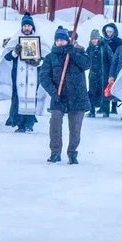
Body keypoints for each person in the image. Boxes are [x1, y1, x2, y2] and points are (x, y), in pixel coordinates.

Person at [38, 26, 90, 164]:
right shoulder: (50, 57)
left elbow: (87, 65)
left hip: (77, 97)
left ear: (68, 40)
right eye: (58, 40)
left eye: (63, 40)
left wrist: (74, 54)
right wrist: (53, 93)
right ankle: (55, 153)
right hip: (58, 97)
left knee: (75, 127)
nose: (60, 42)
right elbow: (44, 77)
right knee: (55, 125)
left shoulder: (78, 52)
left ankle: (72, 153)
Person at [0, 13, 43, 133]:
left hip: (33, 74)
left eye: (29, 26)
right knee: (18, 97)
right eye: (25, 26)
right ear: (22, 27)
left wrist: (39, 62)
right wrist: (14, 52)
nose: (27, 28)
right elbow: (6, 57)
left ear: (32, 27)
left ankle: (30, 122)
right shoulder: (15, 39)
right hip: (19, 74)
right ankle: (19, 123)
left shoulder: (39, 39)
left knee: (32, 97)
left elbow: (46, 56)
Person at [86, 29, 113, 118]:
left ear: (99, 38)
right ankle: (92, 110)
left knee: (104, 92)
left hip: (104, 73)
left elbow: (111, 59)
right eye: (92, 39)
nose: (94, 40)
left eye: (95, 38)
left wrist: (111, 73)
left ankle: (105, 110)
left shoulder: (105, 47)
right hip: (93, 73)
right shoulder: (89, 48)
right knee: (92, 92)